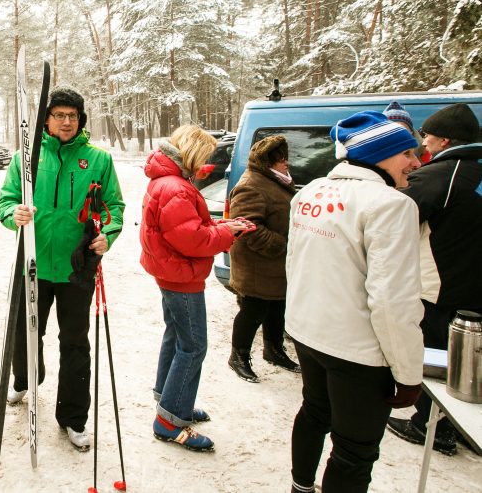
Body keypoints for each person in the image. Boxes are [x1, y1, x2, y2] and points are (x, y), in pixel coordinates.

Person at [286, 111, 423, 493]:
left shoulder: (310, 191)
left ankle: (300, 487)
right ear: (380, 154)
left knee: (314, 413)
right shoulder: (391, 205)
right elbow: (393, 301)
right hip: (358, 351)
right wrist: (409, 374)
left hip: (309, 332)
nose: (415, 162)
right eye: (407, 153)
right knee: (354, 450)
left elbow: (293, 263)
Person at [0, 85, 124, 451]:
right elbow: (6, 200)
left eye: (73, 116)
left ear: (81, 120)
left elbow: (112, 207)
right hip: (32, 264)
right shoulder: (27, 157)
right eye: (59, 115)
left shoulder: (98, 159)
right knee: (25, 333)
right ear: (46, 120)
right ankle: (24, 380)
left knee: (74, 343)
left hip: (76, 269)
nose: (66, 121)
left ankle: (72, 417)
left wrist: (107, 234)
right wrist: (12, 214)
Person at [139, 125, 251, 452]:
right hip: (181, 276)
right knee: (194, 345)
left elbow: (189, 228)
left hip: (171, 272)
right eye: (204, 155)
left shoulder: (169, 181)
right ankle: (171, 420)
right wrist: (228, 234)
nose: (206, 162)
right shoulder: (176, 187)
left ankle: (170, 399)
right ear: (192, 151)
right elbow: (194, 240)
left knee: (176, 336)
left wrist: (223, 225)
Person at [386, 103, 482, 456]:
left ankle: (431, 427)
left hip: (442, 285)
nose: (422, 144)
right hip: (469, 282)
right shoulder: (471, 171)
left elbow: (391, 219)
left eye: (425, 137)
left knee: (436, 355)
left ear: (443, 140)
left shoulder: (438, 176)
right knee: (464, 357)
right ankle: (453, 424)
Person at [227, 135, 299, 383]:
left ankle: (274, 349)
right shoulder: (252, 184)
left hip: (274, 264)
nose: (286, 163)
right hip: (256, 264)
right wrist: (282, 245)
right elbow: (247, 226)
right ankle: (239, 356)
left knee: (276, 308)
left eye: (285, 157)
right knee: (253, 311)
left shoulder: (276, 180)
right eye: (280, 159)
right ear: (267, 162)